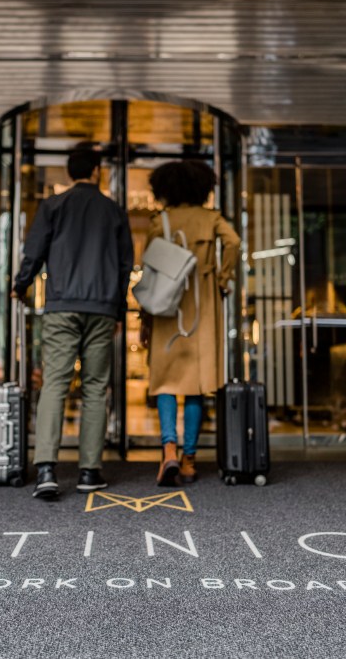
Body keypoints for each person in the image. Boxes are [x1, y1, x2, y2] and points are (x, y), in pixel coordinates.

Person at [13, 147, 134, 499]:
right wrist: (119, 311)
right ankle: (88, 471)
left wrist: (21, 286)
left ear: (70, 172)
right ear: (96, 171)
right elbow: (126, 266)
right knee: (96, 388)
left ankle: (47, 470)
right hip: (101, 309)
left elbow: (33, 252)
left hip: (62, 305)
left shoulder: (53, 206)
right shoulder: (114, 211)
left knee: (55, 383)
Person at [141, 160, 240, 486]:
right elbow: (234, 243)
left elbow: (151, 270)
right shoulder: (211, 219)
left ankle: (168, 449)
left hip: (168, 311)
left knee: (166, 382)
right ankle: (189, 460)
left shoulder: (161, 222)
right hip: (203, 309)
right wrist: (222, 279)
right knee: (196, 385)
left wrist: (145, 319)